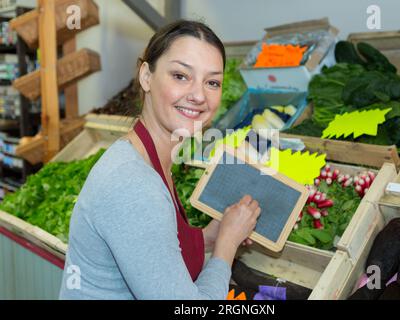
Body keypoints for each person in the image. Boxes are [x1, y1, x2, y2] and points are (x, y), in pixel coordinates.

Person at [59, 20, 261, 300]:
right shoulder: (134, 185)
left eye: (212, 82)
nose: (199, 95)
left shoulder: (145, 156)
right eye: (180, 75)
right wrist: (225, 248)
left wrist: (212, 236)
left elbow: (159, 251)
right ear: (146, 76)